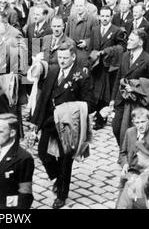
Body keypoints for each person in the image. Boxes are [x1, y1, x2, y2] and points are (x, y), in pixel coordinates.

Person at [32, 42, 94, 209]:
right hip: (50, 121)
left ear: (73, 57)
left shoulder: (81, 76)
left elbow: (89, 103)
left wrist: (69, 110)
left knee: (65, 160)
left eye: (65, 58)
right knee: (43, 152)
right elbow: (44, 97)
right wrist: (36, 123)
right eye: (60, 57)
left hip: (68, 125)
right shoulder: (53, 72)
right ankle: (57, 178)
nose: (62, 61)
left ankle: (62, 194)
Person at [110, 29, 149, 146]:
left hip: (138, 103)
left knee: (135, 132)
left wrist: (135, 86)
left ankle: (133, 156)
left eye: (132, 39)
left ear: (140, 42)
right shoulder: (125, 56)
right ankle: (124, 151)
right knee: (116, 129)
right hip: (121, 100)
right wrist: (113, 99)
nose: (128, 41)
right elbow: (119, 78)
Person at [89, 6, 126, 130]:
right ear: (99, 16)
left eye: (107, 16)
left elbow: (122, 47)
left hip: (108, 67)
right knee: (95, 93)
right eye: (102, 16)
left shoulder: (116, 31)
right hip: (96, 67)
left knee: (105, 94)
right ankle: (97, 114)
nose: (104, 18)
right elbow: (91, 46)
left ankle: (101, 118)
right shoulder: (95, 29)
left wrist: (107, 51)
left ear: (111, 17)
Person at [118, 107, 149, 187]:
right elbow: (122, 153)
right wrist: (125, 164)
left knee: (135, 196)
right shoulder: (129, 132)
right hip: (127, 174)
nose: (140, 125)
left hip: (141, 178)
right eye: (137, 123)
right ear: (133, 122)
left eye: (143, 122)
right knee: (122, 196)